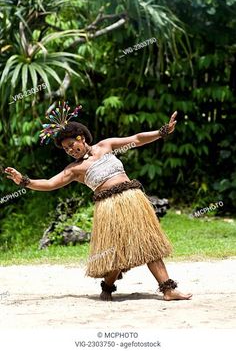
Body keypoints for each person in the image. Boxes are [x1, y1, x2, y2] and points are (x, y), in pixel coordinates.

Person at [4, 103, 192, 301]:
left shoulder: (106, 146)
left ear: (81, 138)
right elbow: (50, 183)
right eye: (66, 149)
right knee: (117, 252)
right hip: (108, 208)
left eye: (71, 146)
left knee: (148, 242)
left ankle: (168, 289)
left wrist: (162, 131)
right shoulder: (74, 170)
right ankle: (108, 286)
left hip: (133, 200)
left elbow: (136, 139)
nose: (70, 151)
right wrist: (25, 181)